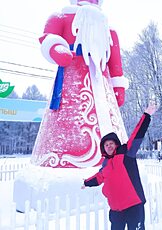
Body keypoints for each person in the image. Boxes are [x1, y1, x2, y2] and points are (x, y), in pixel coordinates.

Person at [30, 0, 129, 168]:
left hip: (101, 80)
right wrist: (56, 49)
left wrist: (118, 85)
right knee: (70, 124)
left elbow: (115, 60)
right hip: (71, 80)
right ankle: (62, 158)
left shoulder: (107, 29)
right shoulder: (61, 16)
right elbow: (49, 37)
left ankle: (114, 161)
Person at [82, 103, 158, 230]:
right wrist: (86, 182)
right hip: (116, 210)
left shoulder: (127, 152)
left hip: (134, 206)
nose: (109, 146)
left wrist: (146, 115)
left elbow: (137, 134)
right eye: (106, 145)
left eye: (111, 143)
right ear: (104, 149)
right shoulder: (105, 164)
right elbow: (99, 177)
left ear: (116, 144)